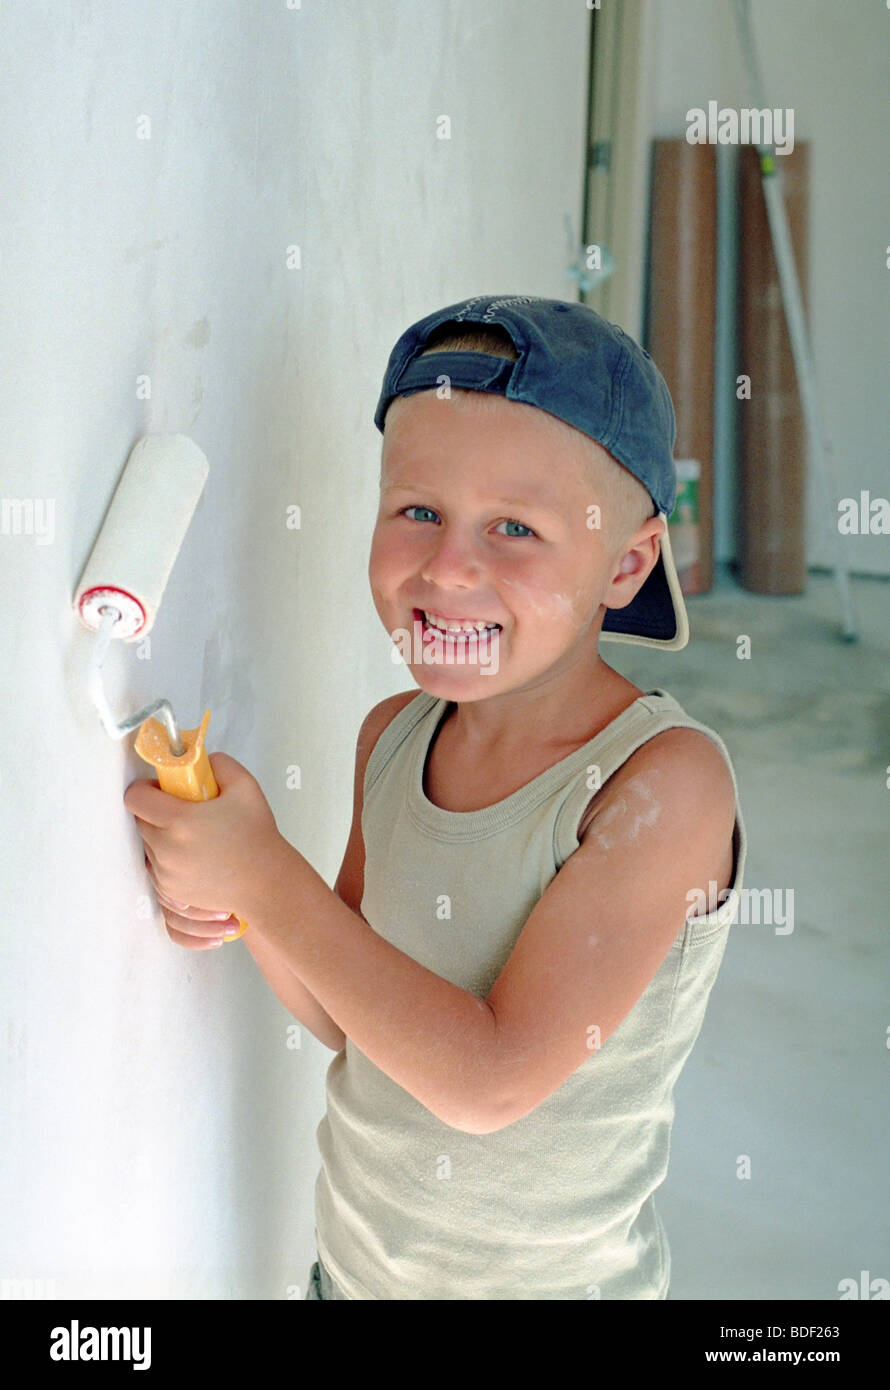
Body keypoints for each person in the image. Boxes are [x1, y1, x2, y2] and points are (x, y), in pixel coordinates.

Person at [129, 295, 747, 1301]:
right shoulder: (393, 736)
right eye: (417, 510)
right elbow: (346, 1015)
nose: (449, 567)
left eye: (514, 527)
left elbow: (487, 1081)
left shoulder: (661, 785)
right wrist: (241, 898)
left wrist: (265, 876)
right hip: (355, 1275)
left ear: (625, 563)